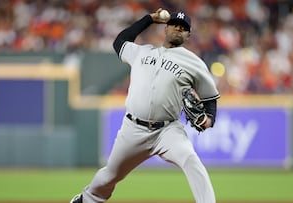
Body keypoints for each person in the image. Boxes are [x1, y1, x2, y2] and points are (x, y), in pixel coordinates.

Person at [70, 8, 220, 203]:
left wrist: (209, 119)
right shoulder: (142, 52)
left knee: (191, 160)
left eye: (183, 28)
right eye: (174, 24)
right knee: (110, 174)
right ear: (165, 29)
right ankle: (88, 199)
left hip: (167, 131)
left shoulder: (195, 63)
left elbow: (210, 98)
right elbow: (119, 42)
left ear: (188, 35)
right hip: (133, 129)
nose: (178, 29)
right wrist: (149, 19)